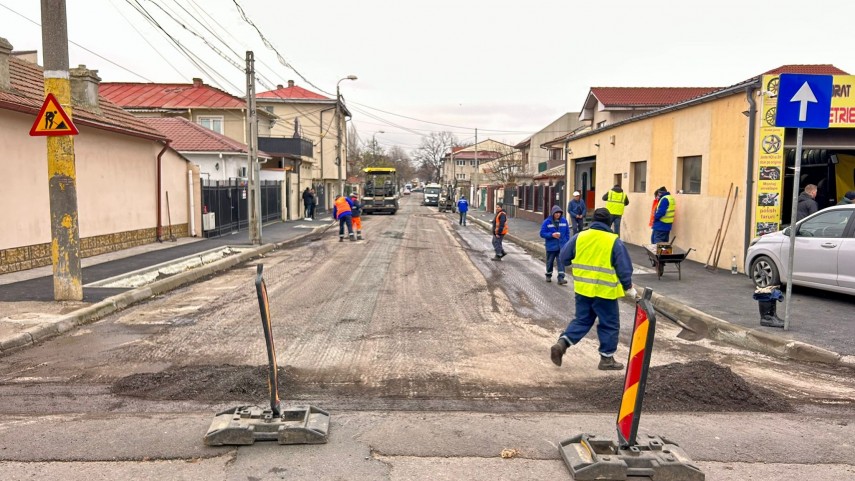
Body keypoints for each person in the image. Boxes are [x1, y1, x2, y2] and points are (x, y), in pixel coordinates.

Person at [550, 208, 637, 371]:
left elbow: (563, 258)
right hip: (604, 293)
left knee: (582, 320)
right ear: (609, 223)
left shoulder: (580, 236)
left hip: (583, 290)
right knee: (609, 324)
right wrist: (628, 287)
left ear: (593, 221)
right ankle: (606, 358)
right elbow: (624, 268)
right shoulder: (613, 240)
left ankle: (562, 343)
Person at [540, 205, 571, 285]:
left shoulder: (564, 221)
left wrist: (567, 242)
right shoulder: (547, 222)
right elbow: (542, 233)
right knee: (550, 261)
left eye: (559, 213)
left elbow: (567, 232)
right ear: (553, 213)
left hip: (562, 246)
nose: (558, 215)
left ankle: (561, 278)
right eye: (556, 213)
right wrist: (551, 235)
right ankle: (548, 274)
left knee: (561, 261)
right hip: (551, 246)